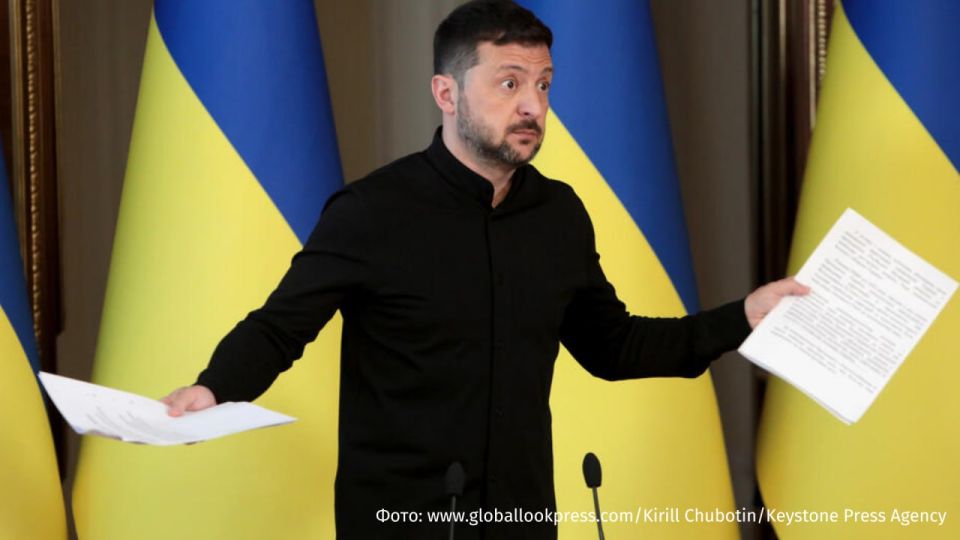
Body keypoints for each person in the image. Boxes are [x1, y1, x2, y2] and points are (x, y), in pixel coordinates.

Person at [162, 1, 808, 538]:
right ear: (446, 92)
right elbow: (280, 327)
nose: (533, 105)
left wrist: (744, 317)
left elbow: (615, 347)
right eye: (509, 82)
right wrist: (213, 389)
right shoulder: (371, 211)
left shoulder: (559, 214)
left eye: (544, 84)